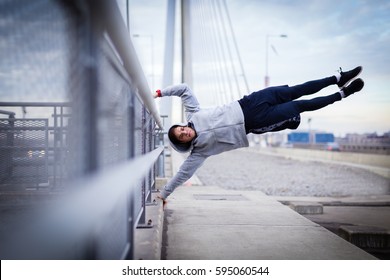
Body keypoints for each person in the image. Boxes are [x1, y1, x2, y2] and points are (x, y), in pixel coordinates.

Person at [154, 66, 364, 202]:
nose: (185, 131)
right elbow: (183, 173)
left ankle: (337, 77)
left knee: (295, 90)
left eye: (182, 128)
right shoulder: (200, 152)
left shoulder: (193, 113)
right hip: (254, 122)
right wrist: (165, 193)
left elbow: (184, 89)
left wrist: (160, 93)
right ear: (185, 143)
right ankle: (342, 94)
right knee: (300, 106)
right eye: (183, 136)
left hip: (249, 102)